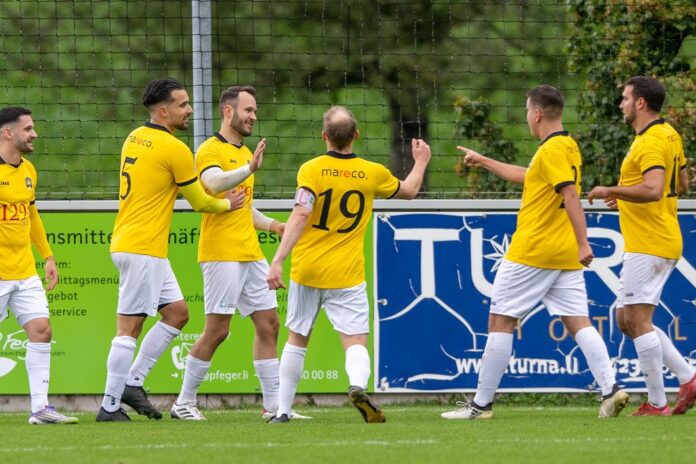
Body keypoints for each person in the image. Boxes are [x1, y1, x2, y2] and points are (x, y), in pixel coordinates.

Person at [442, 85, 629, 420]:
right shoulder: (566, 146)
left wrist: (584, 242)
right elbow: (531, 178)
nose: (527, 117)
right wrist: (484, 161)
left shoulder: (552, 150)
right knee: (579, 322)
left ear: (537, 113)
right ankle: (610, 390)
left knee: (500, 321)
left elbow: (570, 196)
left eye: (528, 111)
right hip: (562, 254)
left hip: (533, 252)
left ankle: (481, 406)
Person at [266, 106, 431, 423]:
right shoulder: (372, 172)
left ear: (324, 136)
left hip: (308, 269)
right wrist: (421, 161)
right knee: (354, 341)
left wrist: (278, 260)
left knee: (297, 338)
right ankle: (356, 385)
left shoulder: (311, 169)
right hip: (348, 274)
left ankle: (283, 411)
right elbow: (410, 190)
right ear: (356, 135)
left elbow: (301, 213)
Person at [97, 78, 246, 422]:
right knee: (128, 330)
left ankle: (133, 383)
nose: (189, 109)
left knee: (178, 313)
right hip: (142, 248)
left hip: (135, 243)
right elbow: (200, 202)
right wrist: (228, 203)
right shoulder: (175, 149)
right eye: (182, 104)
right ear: (163, 111)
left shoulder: (135, 136)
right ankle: (109, 406)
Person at [171, 86, 309, 421]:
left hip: (250, 252)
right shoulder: (209, 149)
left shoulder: (245, 153)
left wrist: (274, 225)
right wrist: (249, 169)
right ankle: (184, 402)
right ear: (228, 112)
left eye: (255, 110)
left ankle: (273, 407)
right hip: (221, 253)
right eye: (248, 110)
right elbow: (214, 183)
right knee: (218, 329)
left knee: (269, 323)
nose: (253, 116)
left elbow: (242, 206)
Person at [588, 75, 695, 416]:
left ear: (640, 102)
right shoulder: (669, 134)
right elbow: (681, 184)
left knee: (635, 318)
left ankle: (657, 403)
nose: (621, 104)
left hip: (651, 242)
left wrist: (612, 190)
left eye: (624, 98)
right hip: (652, 239)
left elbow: (653, 189)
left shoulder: (650, 141)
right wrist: (626, 197)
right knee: (625, 318)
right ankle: (688, 378)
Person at [0, 106, 78, 425]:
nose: (34, 134)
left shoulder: (29, 169)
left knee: (42, 330)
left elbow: (31, 216)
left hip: (24, 272)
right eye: (28, 129)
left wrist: (48, 256)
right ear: (8, 133)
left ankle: (40, 409)